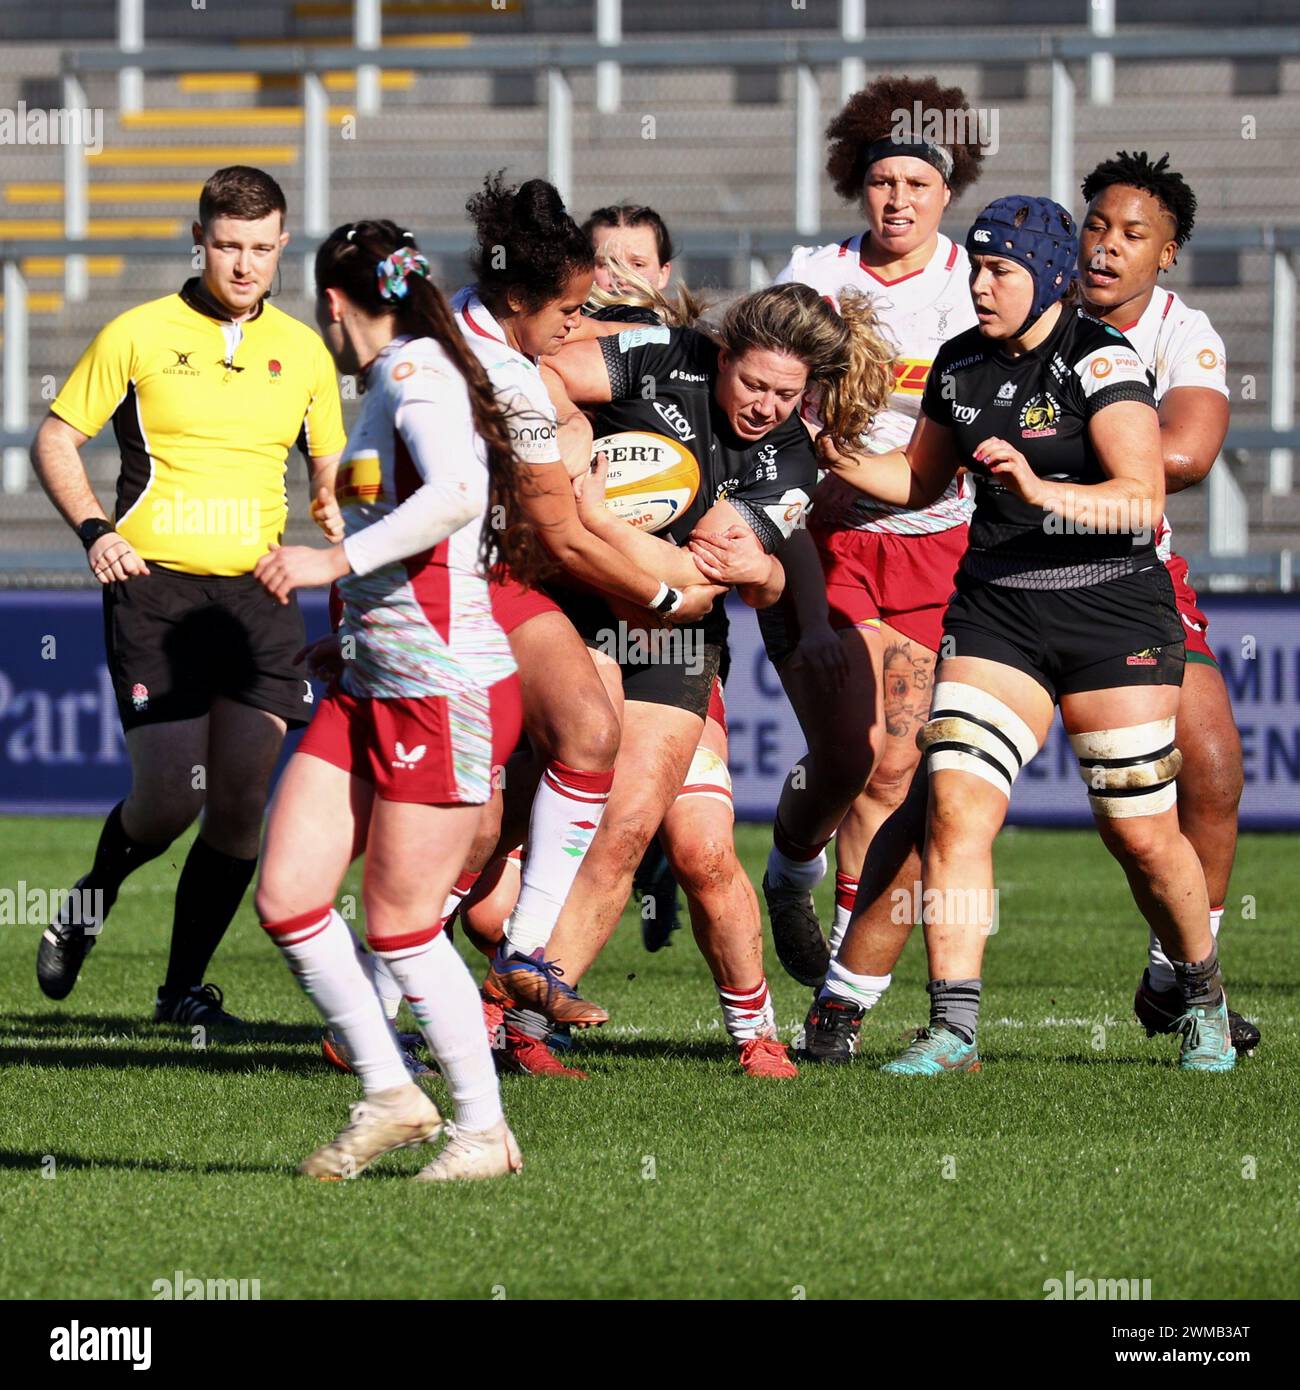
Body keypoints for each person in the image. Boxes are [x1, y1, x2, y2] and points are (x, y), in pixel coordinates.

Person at [805, 154, 1261, 1065]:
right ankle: (952, 1026)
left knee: (1139, 829)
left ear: (1045, 277)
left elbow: (1141, 497)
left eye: (999, 269)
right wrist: (825, 448)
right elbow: (917, 479)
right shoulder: (961, 365)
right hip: (1000, 611)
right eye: (975, 266)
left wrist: (1044, 490)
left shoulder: (1102, 361)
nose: (979, 284)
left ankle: (1199, 995)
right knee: (955, 810)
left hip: (1113, 613)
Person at [483, 282, 894, 1077]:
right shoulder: (663, 357)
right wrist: (567, 432)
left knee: (630, 826)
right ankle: (423, 989)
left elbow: (691, 581)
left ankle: (533, 1017)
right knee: (499, 828)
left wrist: (596, 520)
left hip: (671, 637)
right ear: (724, 355)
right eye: (752, 384)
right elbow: (547, 372)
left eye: (787, 393)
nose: (766, 406)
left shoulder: (789, 460)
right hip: (566, 611)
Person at [31, 165, 346, 1027]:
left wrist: (334, 519)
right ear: (198, 240)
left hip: (260, 592)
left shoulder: (306, 351)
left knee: (241, 802)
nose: (243, 264)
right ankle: (91, 898)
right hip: (154, 588)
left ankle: (182, 994)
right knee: (172, 796)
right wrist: (97, 530)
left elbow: (329, 470)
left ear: (282, 247)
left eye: (259, 248)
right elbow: (56, 438)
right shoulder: (137, 333)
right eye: (226, 245)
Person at [252, 221, 532, 1180]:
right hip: (373, 678)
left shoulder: (417, 376)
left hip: (439, 690)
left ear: (332, 303)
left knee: (401, 926)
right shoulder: (394, 378)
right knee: (289, 895)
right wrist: (353, 626)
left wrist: (332, 558)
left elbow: (456, 493)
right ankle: (389, 1095)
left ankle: (483, 1134)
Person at [448, 175, 721, 1076]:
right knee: (475, 822)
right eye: (568, 309)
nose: (581, 326)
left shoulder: (497, 343)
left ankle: (526, 957)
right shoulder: (488, 374)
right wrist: (665, 597)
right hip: (447, 592)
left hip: (505, 580)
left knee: (590, 735)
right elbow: (563, 532)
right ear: (521, 301)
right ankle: (379, 978)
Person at [756, 76, 985, 995]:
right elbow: (762, 392)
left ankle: (842, 956)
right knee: (871, 752)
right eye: (884, 181)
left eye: (918, 185)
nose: (899, 200)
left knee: (898, 768)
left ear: (947, 190)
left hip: (941, 539)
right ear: (860, 183)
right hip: (836, 535)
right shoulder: (817, 274)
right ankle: (792, 869)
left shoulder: (976, 285)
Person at [1078, 151, 1258, 1054]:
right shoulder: (1025, 307)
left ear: (1169, 254)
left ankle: (1178, 976)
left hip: (1129, 570)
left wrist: (1063, 454)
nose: (1107, 247)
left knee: (1215, 765)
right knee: (924, 787)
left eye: (1133, 235)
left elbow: (1187, 456)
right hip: (995, 570)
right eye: (1098, 226)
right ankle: (852, 993)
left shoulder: (1184, 333)